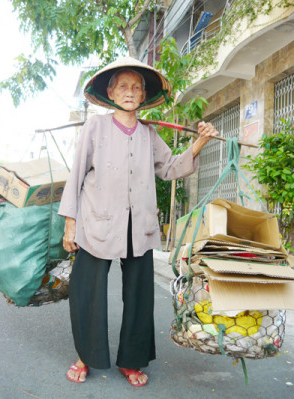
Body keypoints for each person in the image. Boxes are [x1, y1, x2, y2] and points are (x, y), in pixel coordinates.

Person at [58, 56, 218, 386]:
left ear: (143, 96)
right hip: (96, 223)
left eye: (136, 87)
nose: (129, 92)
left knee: (140, 296)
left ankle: (131, 360)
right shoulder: (95, 127)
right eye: (122, 87)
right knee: (88, 292)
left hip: (138, 228)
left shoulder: (148, 133)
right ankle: (85, 356)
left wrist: (200, 141)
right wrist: (70, 224)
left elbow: (171, 168)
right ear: (111, 93)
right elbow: (75, 178)